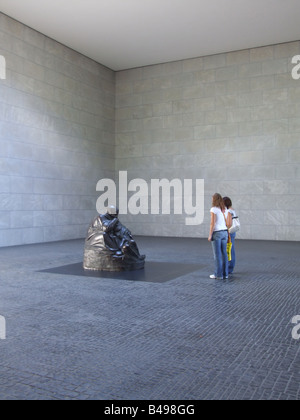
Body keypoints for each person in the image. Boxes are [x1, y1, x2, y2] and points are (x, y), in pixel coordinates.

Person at [208, 193, 232, 280]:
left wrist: (210, 235)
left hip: (217, 233)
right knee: (224, 254)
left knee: (217, 255)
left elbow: (212, 223)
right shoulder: (224, 208)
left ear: (214, 199)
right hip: (225, 232)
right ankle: (225, 274)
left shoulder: (213, 209)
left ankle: (218, 274)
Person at [223, 197, 237, 275]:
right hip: (232, 231)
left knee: (229, 250)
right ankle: (230, 267)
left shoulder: (228, 211)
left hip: (229, 232)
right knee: (231, 249)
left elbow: (228, 223)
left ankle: (229, 268)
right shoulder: (232, 210)